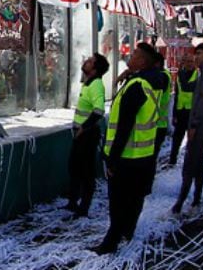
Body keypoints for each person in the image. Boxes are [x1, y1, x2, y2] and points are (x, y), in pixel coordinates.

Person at [92, 43, 158, 255]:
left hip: (127, 157)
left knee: (119, 201)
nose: (130, 56)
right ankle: (128, 231)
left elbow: (124, 127)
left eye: (136, 55)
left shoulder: (136, 86)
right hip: (143, 156)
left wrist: (112, 159)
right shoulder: (146, 83)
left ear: (142, 62)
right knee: (134, 198)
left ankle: (110, 244)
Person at [65, 53, 109, 217]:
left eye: (90, 62)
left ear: (95, 69)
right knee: (75, 167)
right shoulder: (88, 84)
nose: (86, 62)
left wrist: (84, 127)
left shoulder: (96, 85)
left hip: (88, 135)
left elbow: (99, 110)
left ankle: (84, 206)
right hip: (81, 133)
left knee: (86, 170)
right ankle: (72, 202)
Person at [171, 43, 203, 213]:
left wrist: (194, 123)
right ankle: (194, 198)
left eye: (200, 54)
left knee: (192, 161)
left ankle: (185, 201)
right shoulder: (202, 72)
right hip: (188, 118)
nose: (196, 57)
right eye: (196, 54)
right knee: (195, 161)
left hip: (199, 123)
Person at [169, 54, 198, 166]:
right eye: (187, 61)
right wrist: (174, 113)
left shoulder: (198, 75)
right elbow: (177, 94)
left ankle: (190, 161)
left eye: (191, 61)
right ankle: (172, 160)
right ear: (183, 62)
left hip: (192, 112)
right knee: (177, 138)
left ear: (194, 62)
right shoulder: (180, 75)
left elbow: (187, 88)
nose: (189, 63)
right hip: (181, 111)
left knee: (192, 141)